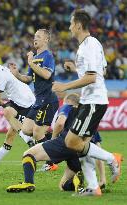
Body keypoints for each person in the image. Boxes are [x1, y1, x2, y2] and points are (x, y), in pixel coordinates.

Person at [52, 9, 122, 194]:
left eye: (70, 24)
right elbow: (101, 71)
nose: (69, 27)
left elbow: (92, 77)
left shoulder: (89, 45)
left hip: (94, 101)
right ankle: (93, 187)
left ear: (78, 25)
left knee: (71, 142)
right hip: (91, 100)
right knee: (82, 145)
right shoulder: (90, 45)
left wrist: (64, 87)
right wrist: (75, 68)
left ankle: (111, 158)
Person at [10, 29, 59, 170]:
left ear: (46, 40)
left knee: (37, 132)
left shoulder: (47, 56)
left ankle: (51, 163)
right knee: (26, 130)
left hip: (48, 99)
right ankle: (53, 141)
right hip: (38, 100)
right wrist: (17, 74)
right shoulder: (36, 57)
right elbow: (28, 79)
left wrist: (31, 63)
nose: (35, 38)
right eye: (34, 36)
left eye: (38, 36)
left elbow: (47, 75)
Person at [53, 94, 106, 189]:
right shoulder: (88, 120)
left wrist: (53, 139)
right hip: (88, 157)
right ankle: (79, 181)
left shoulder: (66, 107)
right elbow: (98, 148)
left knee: (62, 185)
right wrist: (102, 178)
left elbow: (60, 123)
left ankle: (76, 179)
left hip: (73, 153)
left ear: (68, 101)